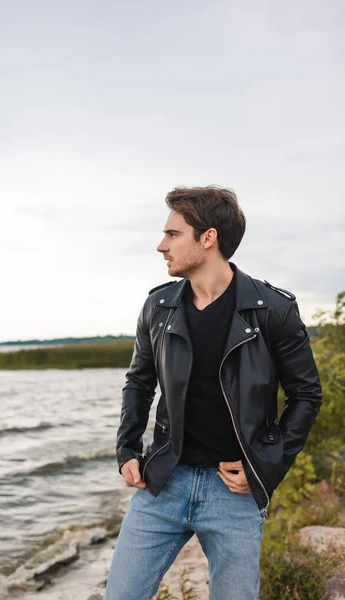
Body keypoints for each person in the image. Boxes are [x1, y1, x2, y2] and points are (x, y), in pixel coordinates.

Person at [104, 186, 322, 600]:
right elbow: (139, 382)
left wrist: (268, 463)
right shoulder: (159, 306)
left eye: (172, 234)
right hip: (163, 483)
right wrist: (127, 450)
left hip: (233, 494)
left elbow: (307, 395)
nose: (160, 246)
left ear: (208, 238)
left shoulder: (271, 309)